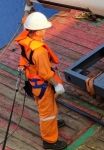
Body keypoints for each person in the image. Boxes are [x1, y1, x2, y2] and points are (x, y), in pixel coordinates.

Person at [16, 12, 67, 149]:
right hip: (42, 85)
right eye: (44, 28)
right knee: (47, 113)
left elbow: (26, 20)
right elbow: (45, 73)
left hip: (34, 82)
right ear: (38, 32)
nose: (46, 30)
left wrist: (27, 9)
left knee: (49, 107)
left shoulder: (28, 35)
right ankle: (50, 141)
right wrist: (57, 85)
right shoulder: (39, 52)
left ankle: (53, 124)